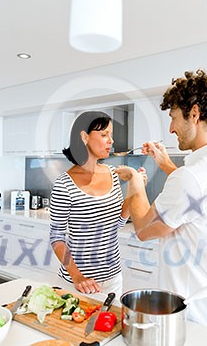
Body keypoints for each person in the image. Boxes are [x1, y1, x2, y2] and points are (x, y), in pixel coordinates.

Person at [115, 69, 207, 339]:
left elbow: (145, 229)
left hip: (203, 319)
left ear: (194, 113)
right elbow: (200, 201)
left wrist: (134, 180)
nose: (171, 129)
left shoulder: (191, 177)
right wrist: (167, 165)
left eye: (173, 117)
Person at [49, 111, 145, 296]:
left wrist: (136, 186)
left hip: (113, 279)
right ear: (84, 137)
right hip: (78, 282)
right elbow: (57, 237)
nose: (111, 140)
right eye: (104, 135)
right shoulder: (64, 184)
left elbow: (117, 223)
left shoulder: (112, 173)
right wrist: (77, 276)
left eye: (111, 134)